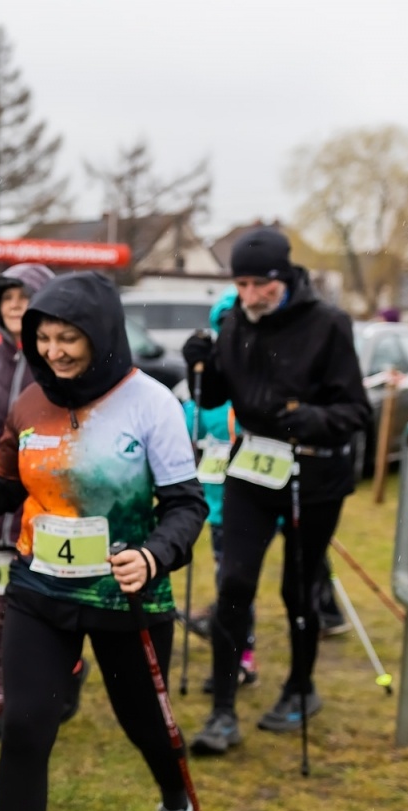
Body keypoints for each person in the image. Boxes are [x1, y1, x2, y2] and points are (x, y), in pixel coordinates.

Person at [0, 271, 208, 811]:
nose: (58, 350)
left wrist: (153, 554)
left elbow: (187, 506)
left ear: (103, 336)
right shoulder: (31, 403)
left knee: (144, 723)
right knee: (26, 724)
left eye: (70, 337)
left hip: (125, 594)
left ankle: (175, 801)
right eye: (44, 337)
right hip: (41, 590)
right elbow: (4, 487)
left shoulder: (150, 403)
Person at [182, 228, 370, 755]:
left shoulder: (328, 325)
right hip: (254, 468)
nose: (248, 295)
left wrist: (308, 418)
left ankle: (300, 687)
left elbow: (356, 412)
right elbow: (217, 391)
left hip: (313, 475)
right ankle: (222, 710)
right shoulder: (238, 321)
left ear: (282, 278)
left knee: (298, 588)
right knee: (234, 582)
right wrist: (200, 360)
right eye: (240, 283)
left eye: (258, 283)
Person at [0, 263, 89, 744]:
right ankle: (6, 701)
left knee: (55, 611)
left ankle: (68, 670)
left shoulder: (61, 363)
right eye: (5, 296)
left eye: (23, 295)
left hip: (53, 516)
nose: (13, 303)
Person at [181, 288, 259, 692]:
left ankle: (243, 657)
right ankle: (237, 652)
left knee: (240, 582)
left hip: (256, 500)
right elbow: (187, 426)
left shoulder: (260, 375)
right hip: (215, 503)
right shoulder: (204, 382)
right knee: (226, 580)